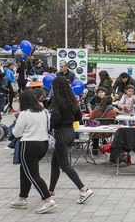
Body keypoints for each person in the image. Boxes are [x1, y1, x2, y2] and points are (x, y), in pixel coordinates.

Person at [9, 90, 57, 214]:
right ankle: (22, 198)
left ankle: (48, 199)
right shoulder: (44, 111)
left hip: (29, 145)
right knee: (24, 170)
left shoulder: (24, 114)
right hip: (43, 144)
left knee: (32, 174)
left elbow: (16, 133)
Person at [48, 76, 93, 204]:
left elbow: (55, 116)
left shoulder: (56, 100)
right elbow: (78, 116)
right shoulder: (72, 99)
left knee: (64, 164)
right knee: (55, 163)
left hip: (61, 133)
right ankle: (50, 191)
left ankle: (83, 188)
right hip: (70, 132)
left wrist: (51, 125)